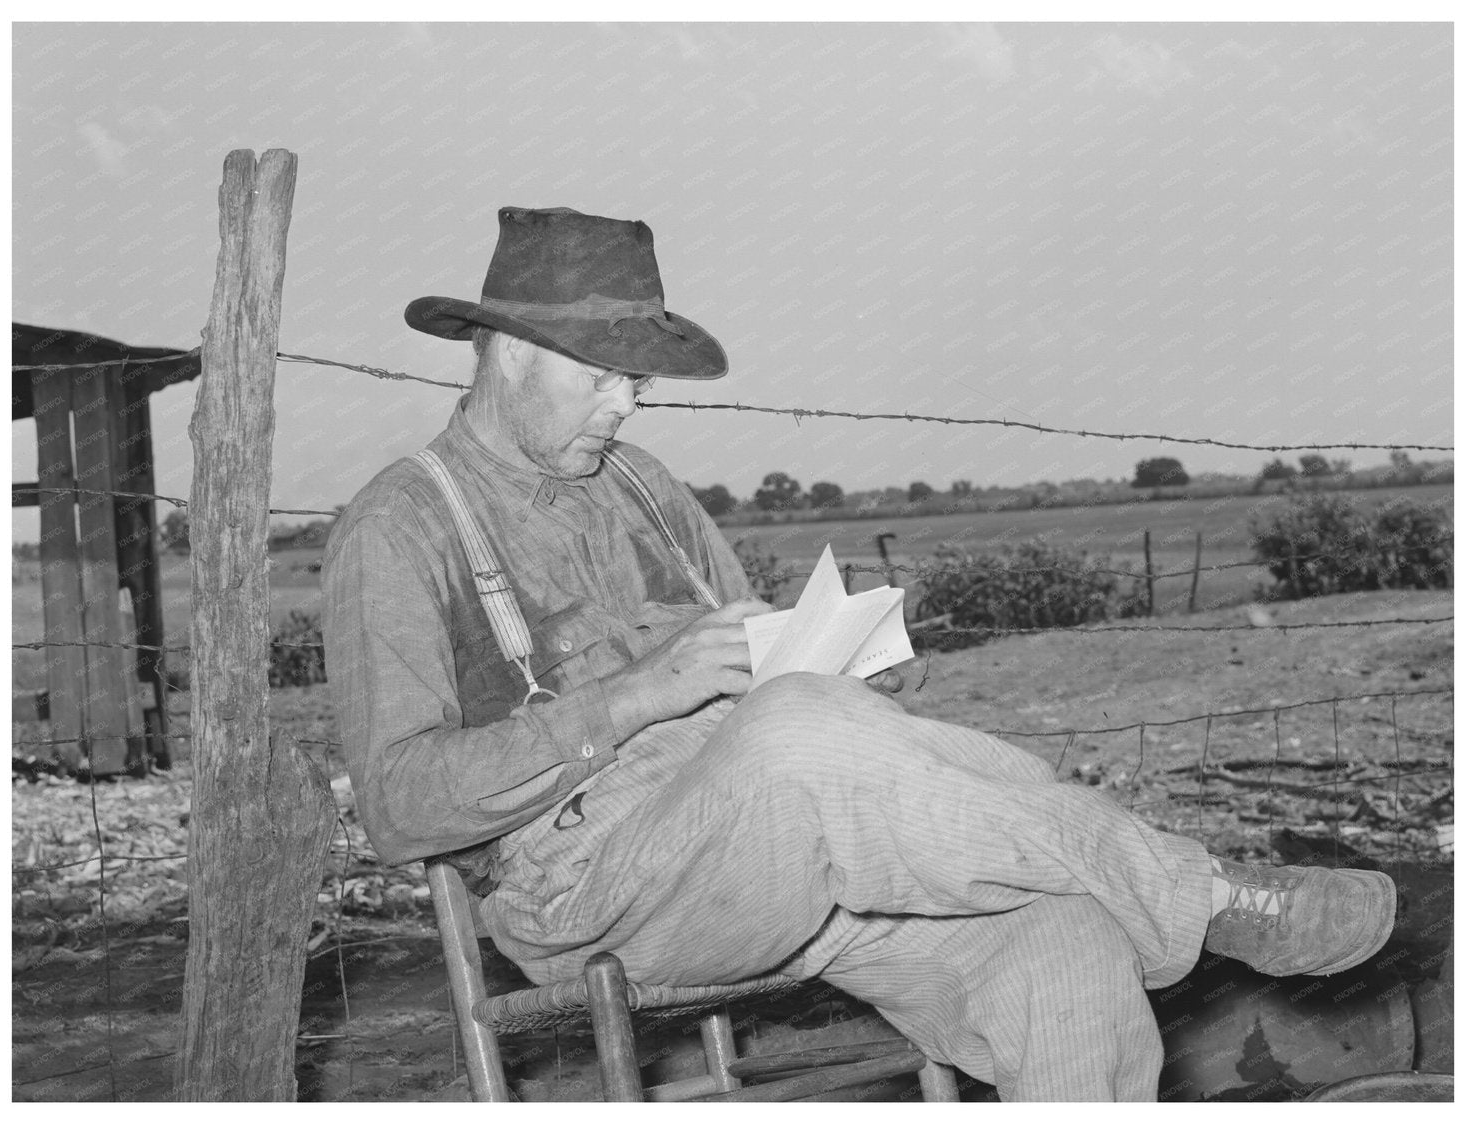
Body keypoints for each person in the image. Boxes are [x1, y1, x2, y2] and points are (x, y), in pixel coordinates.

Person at [321, 206, 1397, 1102]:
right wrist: (642, 694)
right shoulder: (403, 524)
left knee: (1067, 944)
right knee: (799, 736)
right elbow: (401, 803)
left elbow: (760, 681)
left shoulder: (644, 487)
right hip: (597, 890)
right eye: (606, 374)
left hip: (790, 854)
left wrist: (848, 666)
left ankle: (1150, 897)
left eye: (639, 380)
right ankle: (1206, 897)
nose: (630, 400)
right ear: (509, 348)